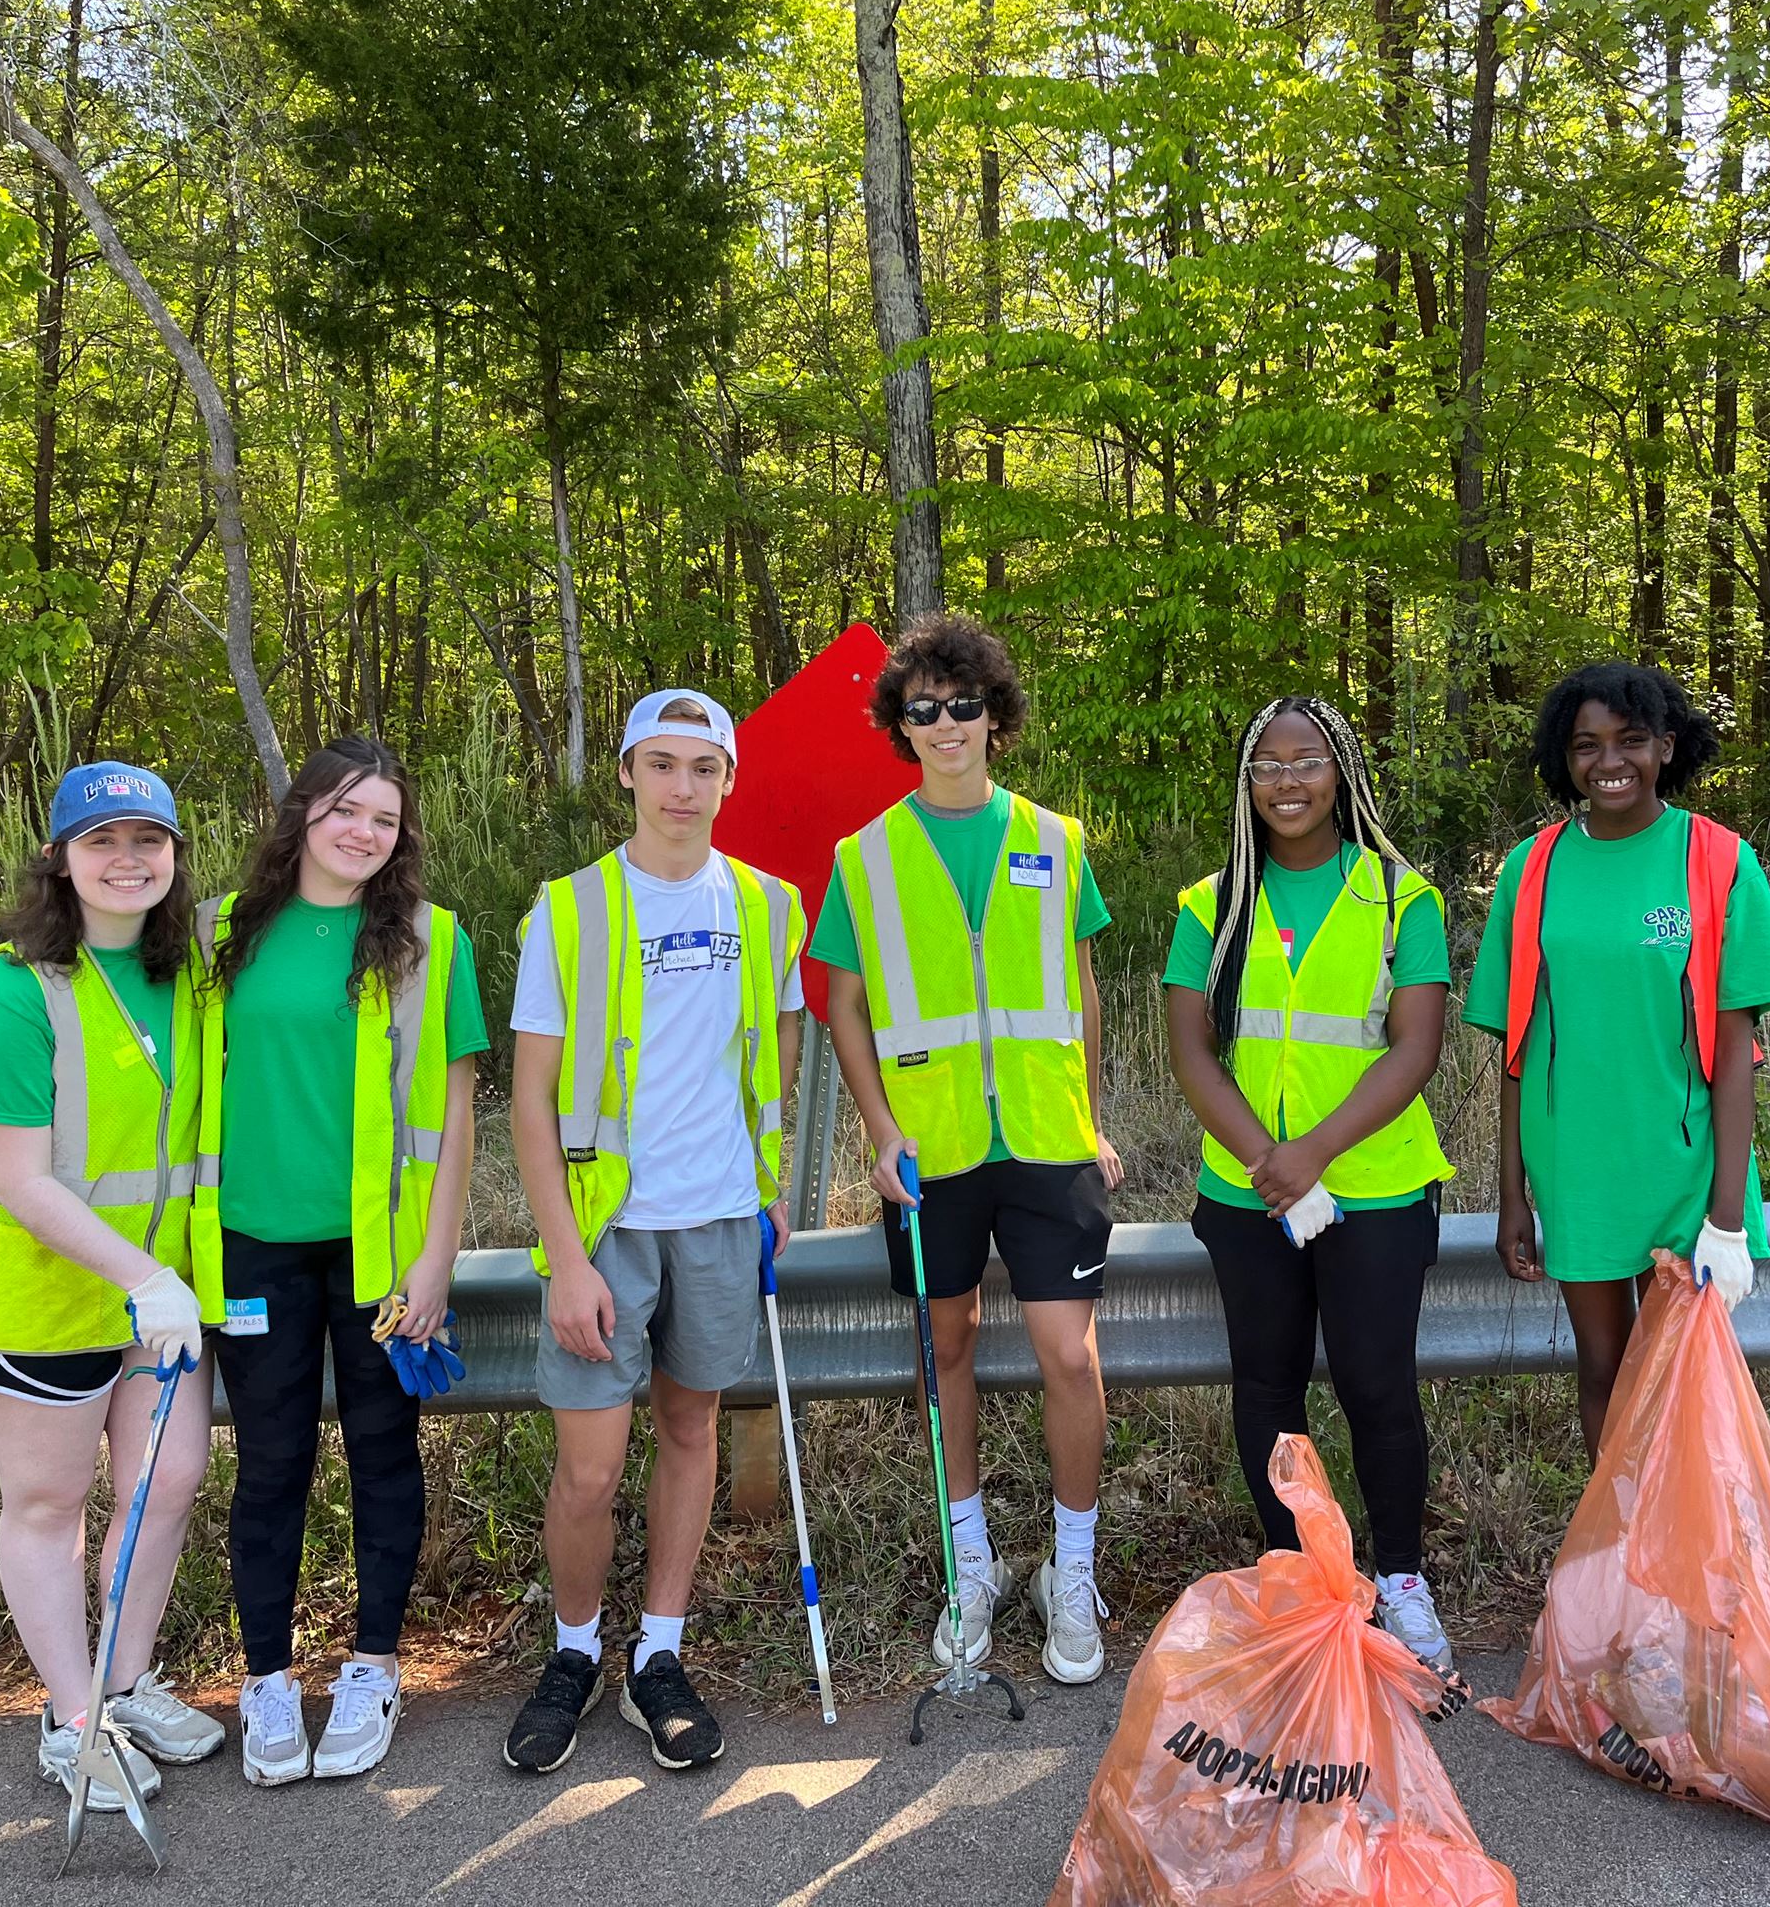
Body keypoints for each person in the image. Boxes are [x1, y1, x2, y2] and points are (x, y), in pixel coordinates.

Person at [815, 615, 1123, 1687]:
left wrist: (1089, 1115)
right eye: (921, 710)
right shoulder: (863, 857)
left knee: (1066, 1357)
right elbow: (843, 1008)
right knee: (944, 1353)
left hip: (1043, 1140)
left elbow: (1080, 987)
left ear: (995, 716)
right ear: (901, 727)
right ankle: (972, 1565)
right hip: (930, 1147)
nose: (944, 725)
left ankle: (1068, 1575)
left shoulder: (1055, 835)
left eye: (962, 706)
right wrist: (878, 1128)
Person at [501, 691, 805, 1776]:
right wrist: (566, 1257)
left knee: (690, 1434)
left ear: (730, 779)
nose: (683, 787)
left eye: (704, 767)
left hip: (719, 1220)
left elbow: (772, 1055)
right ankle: (574, 1652)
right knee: (587, 1471)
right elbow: (529, 1101)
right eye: (662, 764)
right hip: (606, 1231)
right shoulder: (567, 911)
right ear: (627, 773)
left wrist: (769, 1194)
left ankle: (657, 1658)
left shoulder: (772, 908)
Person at [189, 736, 487, 1786]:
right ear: (301, 812)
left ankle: (370, 1668)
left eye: (384, 818)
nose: (363, 833)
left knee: (382, 1457)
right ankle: (266, 1681)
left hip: (381, 1265)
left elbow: (454, 1126)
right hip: (250, 1250)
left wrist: (435, 1266)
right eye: (344, 811)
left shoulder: (429, 940)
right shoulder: (219, 932)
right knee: (270, 1466)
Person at [0, 761, 221, 1807]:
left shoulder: (187, 973)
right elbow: (15, 1177)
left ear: (175, 856)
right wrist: (147, 1273)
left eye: (149, 840)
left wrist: (163, 1280)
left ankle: (127, 1679)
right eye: (103, 842)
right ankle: (70, 1720)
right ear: (59, 858)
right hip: (38, 1300)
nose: (128, 859)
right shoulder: (11, 992)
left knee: (170, 1483)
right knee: (50, 1507)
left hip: (154, 1301)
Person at [1161, 696, 1460, 1672]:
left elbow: (1413, 1049)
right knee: (1267, 1390)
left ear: (1342, 775)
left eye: (1307, 761)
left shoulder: (1398, 897)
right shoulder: (1207, 905)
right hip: (1247, 1195)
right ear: (1246, 785)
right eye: (1267, 766)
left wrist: (1314, 1154)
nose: (1287, 781)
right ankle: (1294, 1580)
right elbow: (1190, 1052)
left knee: (1376, 1388)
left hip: (1372, 1189)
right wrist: (1269, 1163)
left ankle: (1402, 1580)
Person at [1462, 662, 1770, 1460]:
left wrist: (1724, 1218)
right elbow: (1514, 1051)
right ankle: (1621, 1566)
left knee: (1681, 1382)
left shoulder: (1719, 860)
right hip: (1576, 1169)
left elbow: (1734, 1052)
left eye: (1631, 741)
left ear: (1666, 747)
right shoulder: (1531, 869)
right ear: (1564, 758)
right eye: (1587, 746)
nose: (1609, 762)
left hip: (1684, 1175)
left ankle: (1685, 1567)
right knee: (1605, 1371)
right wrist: (1511, 1196)